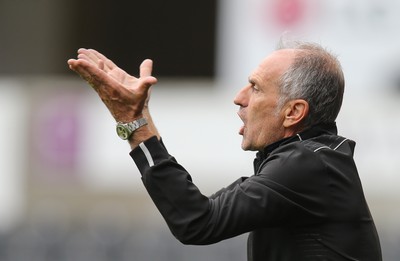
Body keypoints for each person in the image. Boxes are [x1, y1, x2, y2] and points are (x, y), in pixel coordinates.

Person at [67, 41, 382, 260]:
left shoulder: (306, 164)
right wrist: (140, 117)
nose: (239, 97)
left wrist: (133, 122)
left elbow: (195, 221)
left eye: (255, 87)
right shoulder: (310, 160)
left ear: (293, 112)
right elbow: (198, 211)